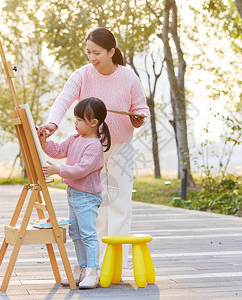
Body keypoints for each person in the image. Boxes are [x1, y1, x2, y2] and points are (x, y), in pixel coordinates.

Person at [38, 27, 149, 272]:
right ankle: (94, 265)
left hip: (120, 147)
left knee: (120, 204)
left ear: (111, 52)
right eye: (88, 52)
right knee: (93, 206)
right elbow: (64, 99)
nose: (91, 57)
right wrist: (52, 123)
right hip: (91, 147)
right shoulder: (82, 75)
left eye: (96, 52)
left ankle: (115, 267)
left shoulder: (128, 77)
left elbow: (141, 109)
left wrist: (139, 117)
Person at [38, 97, 111, 289]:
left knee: (87, 234)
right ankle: (82, 267)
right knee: (76, 233)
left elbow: (81, 170)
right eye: (75, 119)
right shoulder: (75, 138)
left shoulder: (94, 146)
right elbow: (59, 150)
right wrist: (45, 143)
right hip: (74, 193)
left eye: (79, 120)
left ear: (93, 123)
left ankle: (92, 272)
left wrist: (58, 170)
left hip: (87, 196)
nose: (75, 123)